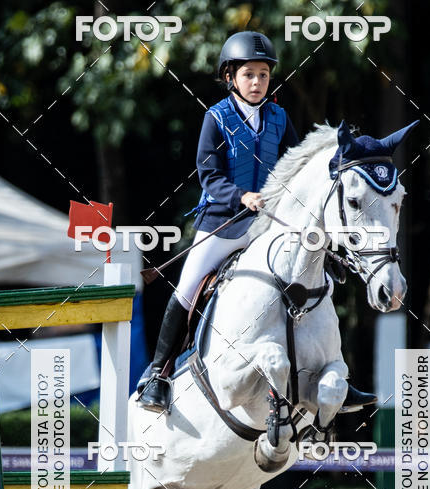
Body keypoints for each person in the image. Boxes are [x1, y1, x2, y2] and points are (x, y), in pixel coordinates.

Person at [138, 30, 376, 414]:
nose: (257, 82)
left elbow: (296, 167)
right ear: (230, 77)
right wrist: (241, 196)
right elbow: (208, 175)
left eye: (263, 75)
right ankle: (157, 374)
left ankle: (336, 375)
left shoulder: (279, 118)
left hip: (270, 223)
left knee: (319, 280)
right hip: (222, 221)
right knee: (187, 287)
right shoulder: (216, 117)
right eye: (249, 74)